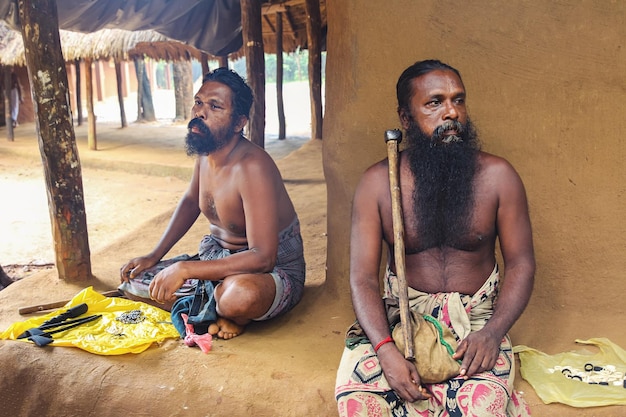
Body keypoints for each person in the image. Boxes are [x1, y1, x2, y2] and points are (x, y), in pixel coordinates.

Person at [335, 60, 535, 416]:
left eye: (458, 100)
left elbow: (521, 263)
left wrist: (493, 332)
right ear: (406, 118)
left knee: (482, 409)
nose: (451, 113)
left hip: (476, 322)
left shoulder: (498, 176)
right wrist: (385, 349)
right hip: (401, 319)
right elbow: (362, 278)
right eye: (435, 103)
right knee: (360, 406)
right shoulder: (378, 184)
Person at [120, 68, 306, 340]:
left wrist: (186, 269)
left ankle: (223, 306)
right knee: (131, 283)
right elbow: (190, 201)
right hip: (218, 262)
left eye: (214, 106)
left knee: (239, 297)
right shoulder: (206, 153)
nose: (200, 112)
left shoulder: (253, 167)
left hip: (270, 272)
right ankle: (215, 305)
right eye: (198, 102)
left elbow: (263, 257)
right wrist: (154, 255)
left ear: (239, 122)